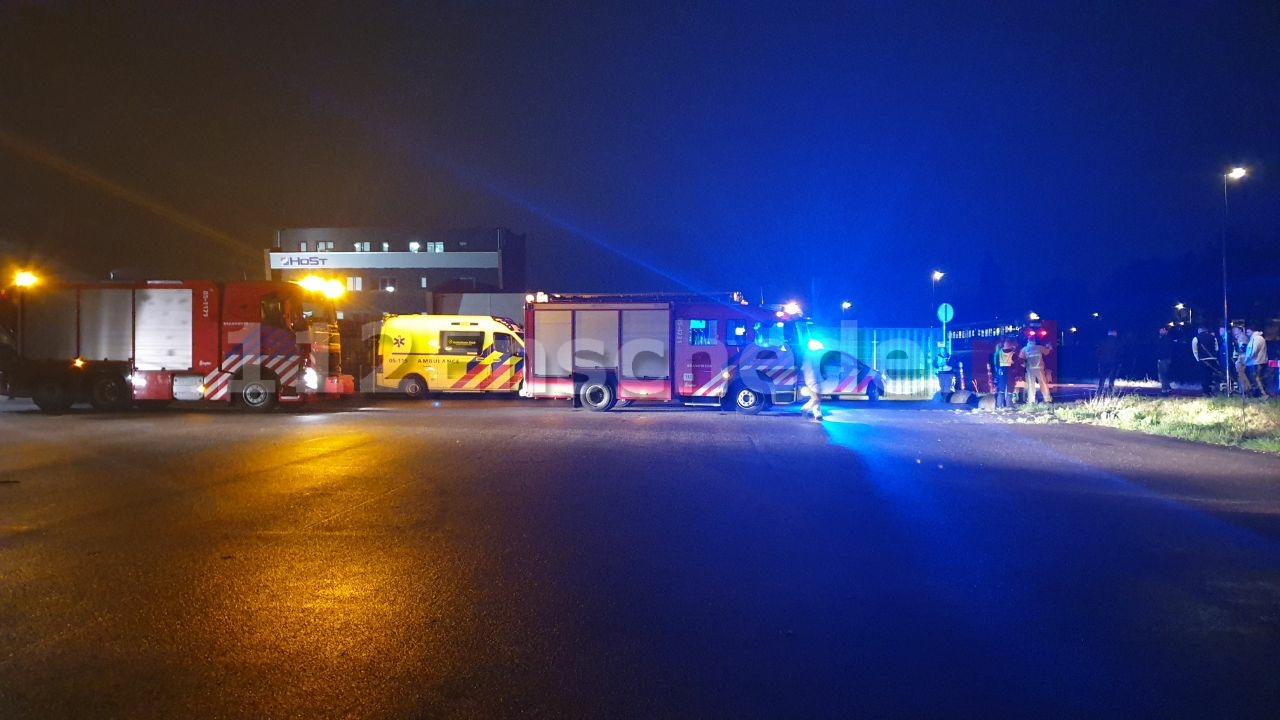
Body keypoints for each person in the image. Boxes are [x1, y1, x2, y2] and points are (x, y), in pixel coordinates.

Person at [1019, 335, 1052, 403]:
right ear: (1034, 341)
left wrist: (1024, 365)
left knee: (1031, 385)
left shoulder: (1024, 349)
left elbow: (1020, 359)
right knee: (1043, 384)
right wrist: (1049, 347)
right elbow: (1047, 352)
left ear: (1028, 341)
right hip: (1039, 369)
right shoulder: (1039, 347)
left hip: (1029, 369)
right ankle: (1047, 399)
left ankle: (1031, 401)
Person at [1191, 325, 1219, 397]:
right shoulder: (1213, 337)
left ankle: (1205, 391)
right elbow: (1216, 348)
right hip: (1212, 359)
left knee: (1204, 375)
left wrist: (1198, 359)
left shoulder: (1196, 338)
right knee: (1210, 375)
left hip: (1203, 360)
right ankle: (1210, 390)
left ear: (1199, 330)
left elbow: (1195, 351)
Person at [801, 339, 824, 421]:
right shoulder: (810, 358)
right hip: (813, 381)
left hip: (816, 380)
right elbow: (811, 371)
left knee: (818, 398)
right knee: (816, 398)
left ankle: (818, 414)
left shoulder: (813, 357)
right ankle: (805, 408)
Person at [1243, 326, 1269, 399]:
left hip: (1256, 362)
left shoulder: (1257, 338)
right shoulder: (1256, 338)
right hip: (1256, 361)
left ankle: (1263, 394)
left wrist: (1247, 359)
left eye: (1248, 331)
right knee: (1257, 379)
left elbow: (1254, 351)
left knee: (1257, 379)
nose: (1247, 333)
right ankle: (1259, 394)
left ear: (1252, 330)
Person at [992, 335, 1017, 408]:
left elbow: (996, 364)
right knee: (1010, 389)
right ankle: (1009, 405)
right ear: (1011, 345)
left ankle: (999, 405)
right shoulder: (1013, 354)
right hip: (1010, 372)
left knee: (1001, 389)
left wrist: (997, 372)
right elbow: (1016, 364)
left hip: (1001, 372)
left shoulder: (998, 353)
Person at [1096, 329, 1120, 395]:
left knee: (1102, 377)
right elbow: (1120, 352)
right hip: (1113, 362)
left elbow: (1098, 351)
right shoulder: (1117, 342)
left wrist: (1099, 359)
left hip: (1103, 361)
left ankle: (1099, 391)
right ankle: (1110, 391)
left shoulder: (1103, 341)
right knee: (1111, 378)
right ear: (1114, 333)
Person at [1155, 327, 1173, 396]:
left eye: (1162, 330)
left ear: (1166, 331)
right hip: (1161, 359)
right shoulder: (1159, 339)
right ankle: (1167, 388)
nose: (1161, 331)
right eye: (1160, 330)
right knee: (1163, 374)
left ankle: (1164, 389)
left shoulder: (1167, 339)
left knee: (1163, 374)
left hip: (1165, 359)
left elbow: (1167, 349)